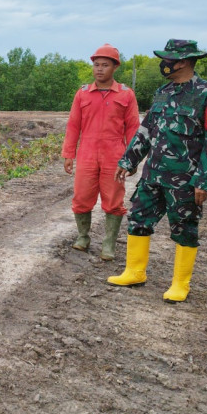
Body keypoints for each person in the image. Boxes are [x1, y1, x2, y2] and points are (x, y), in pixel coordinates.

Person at [108, 39, 207, 303]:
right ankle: (134, 271)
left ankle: (180, 284)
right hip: (153, 175)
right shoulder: (163, 92)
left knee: (184, 228)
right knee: (138, 218)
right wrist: (129, 161)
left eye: (168, 59)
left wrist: (205, 181)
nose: (164, 63)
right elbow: (147, 130)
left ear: (182, 62)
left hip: (184, 179)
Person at [62, 44, 140, 260]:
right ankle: (83, 237)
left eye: (105, 65)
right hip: (87, 152)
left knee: (114, 199)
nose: (99, 69)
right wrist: (69, 154)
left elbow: (133, 128)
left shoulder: (126, 95)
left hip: (114, 154)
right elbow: (73, 125)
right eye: (96, 65)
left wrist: (131, 159)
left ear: (115, 67)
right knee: (81, 196)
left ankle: (109, 244)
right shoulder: (83, 94)